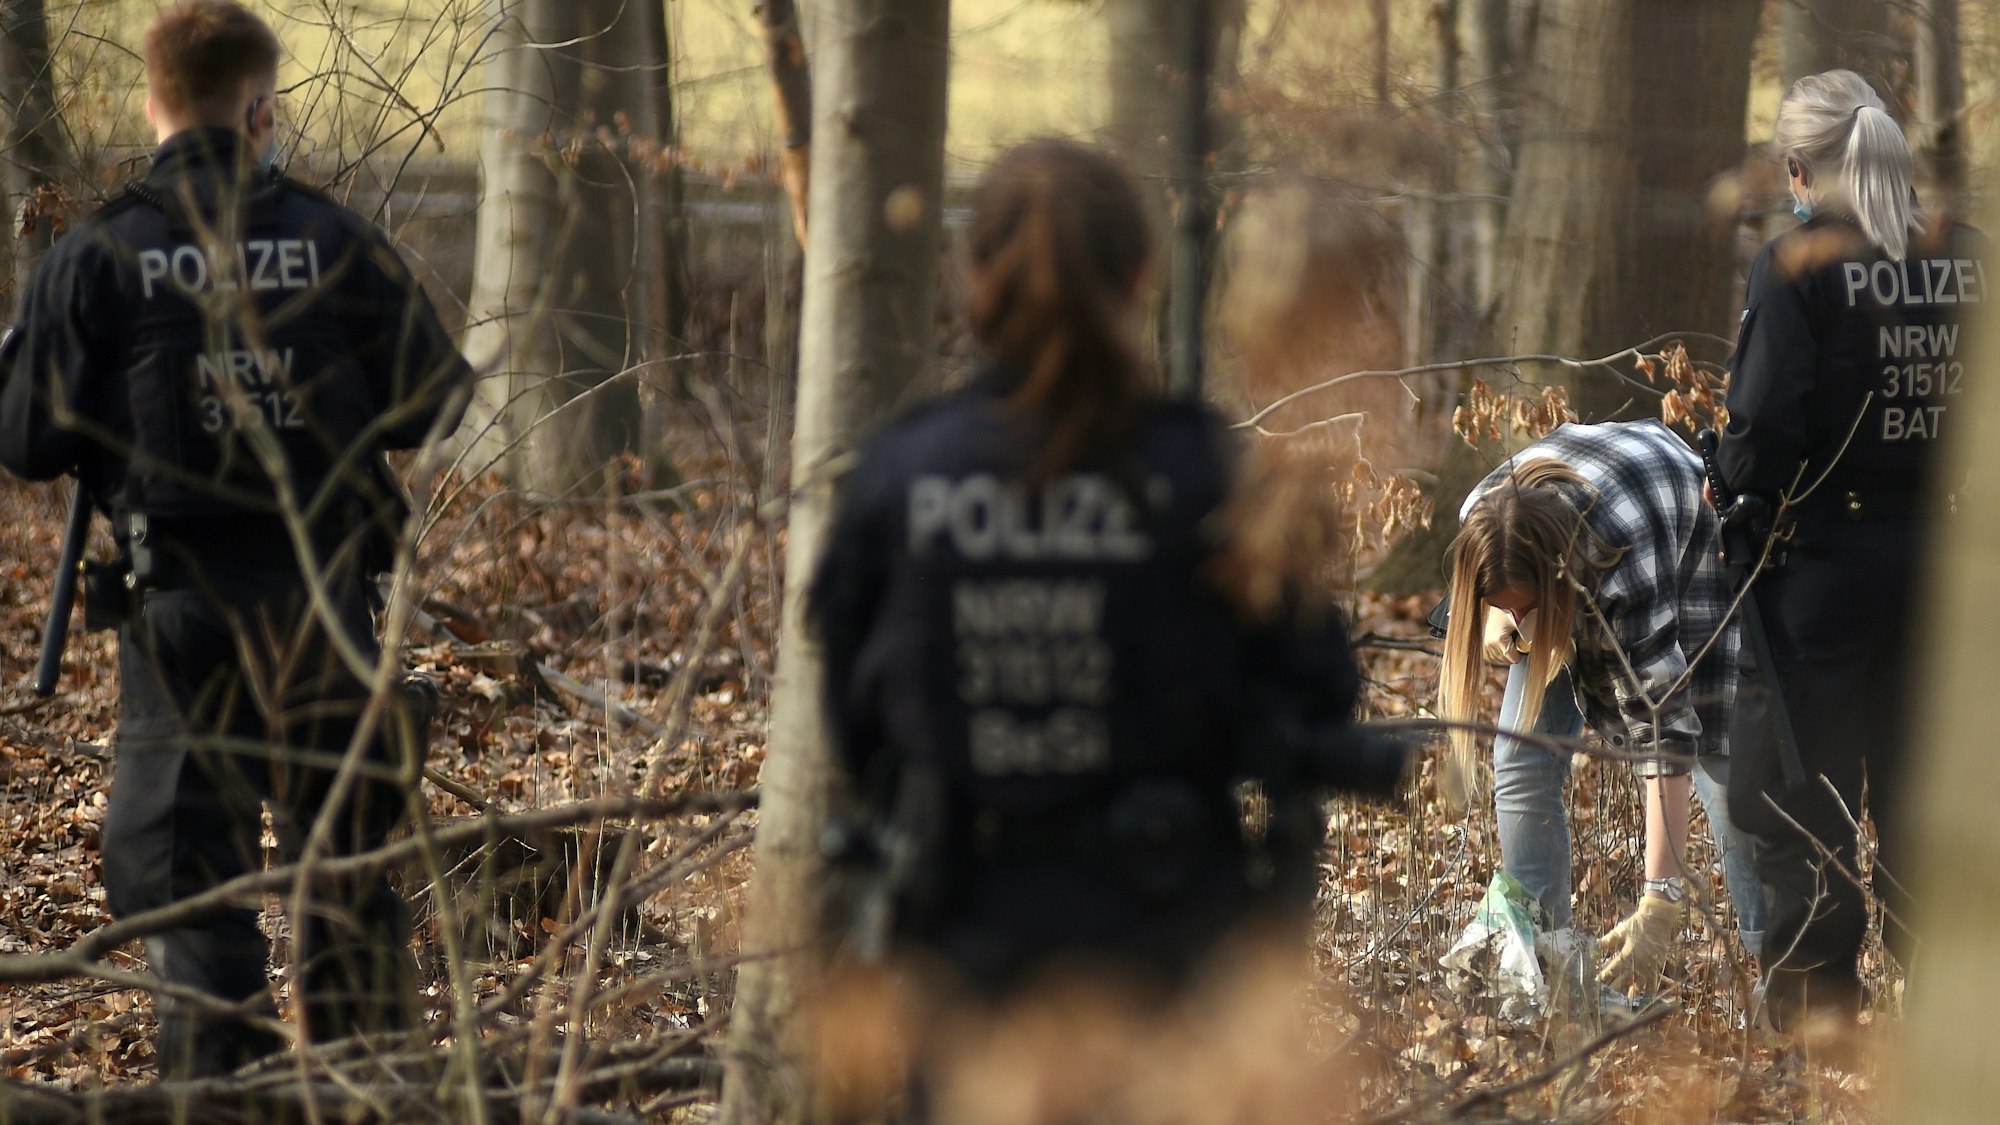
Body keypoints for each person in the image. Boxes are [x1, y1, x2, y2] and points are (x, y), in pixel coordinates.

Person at [809, 139, 1405, 1013]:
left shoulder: (901, 472)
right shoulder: (1202, 468)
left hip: (957, 964)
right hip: (1163, 957)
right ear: (1138, 280)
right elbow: (1318, 686)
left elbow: (854, 722)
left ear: (977, 277)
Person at [0, 1, 472, 1076]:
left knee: (185, 886)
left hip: (182, 617)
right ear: (263, 109)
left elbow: (26, 442)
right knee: (347, 875)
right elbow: (434, 400)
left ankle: (215, 1096)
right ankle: (362, 1095)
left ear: (154, 101)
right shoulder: (334, 239)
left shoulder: (101, 254)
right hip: (327, 602)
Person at [1717, 69, 1981, 1029]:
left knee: (1794, 790)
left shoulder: (1800, 264)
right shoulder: (1975, 258)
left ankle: (1817, 1016)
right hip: (1948, 568)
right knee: (1923, 788)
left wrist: (1734, 487)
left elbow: (1762, 427)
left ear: (1799, 166)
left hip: (1825, 570)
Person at [1439, 419, 1767, 994]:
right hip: (1581, 524)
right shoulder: (1483, 517)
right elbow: (1490, 582)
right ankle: (1539, 966)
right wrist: (1501, 612)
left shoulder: (1625, 573)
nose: (1517, 624)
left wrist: (1659, 901)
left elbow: (1663, 733)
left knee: (1723, 772)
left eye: (1526, 608)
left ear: (1562, 584)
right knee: (1520, 756)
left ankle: (1783, 976)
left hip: (1676, 520)